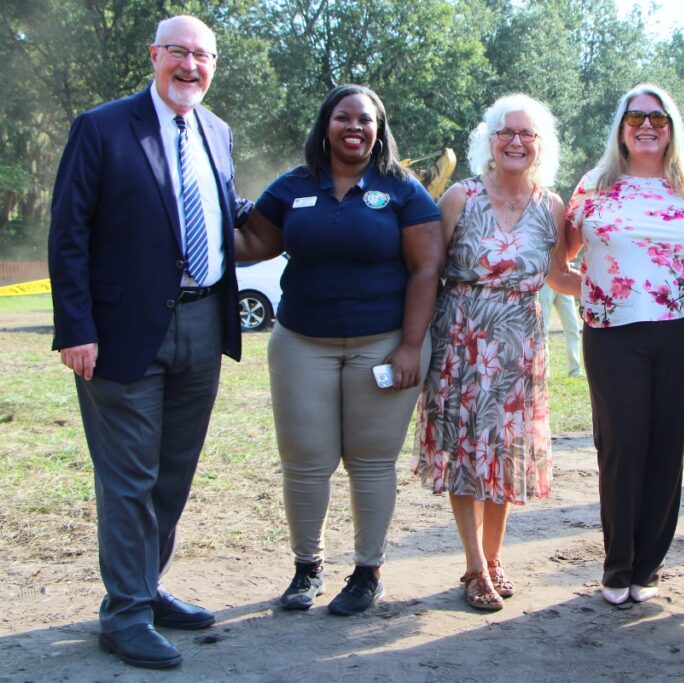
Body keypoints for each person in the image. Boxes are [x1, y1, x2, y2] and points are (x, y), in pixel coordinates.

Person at [47, 15, 246, 669]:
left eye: (203, 56)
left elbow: (224, 212)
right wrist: (76, 327)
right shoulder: (101, 127)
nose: (191, 66)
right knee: (129, 476)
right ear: (154, 55)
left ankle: (148, 586)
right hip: (121, 332)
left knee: (173, 472)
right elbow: (69, 231)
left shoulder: (217, 132)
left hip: (202, 323)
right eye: (179, 52)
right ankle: (125, 613)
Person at [234, 85, 443, 616]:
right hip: (302, 342)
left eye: (366, 120)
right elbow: (252, 244)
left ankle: (366, 572)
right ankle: (307, 568)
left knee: (371, 462)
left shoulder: (402, 189)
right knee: (305, 461)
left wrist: (411, 347)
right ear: (325, 125)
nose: (355, 127)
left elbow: (426, 269)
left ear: (379, 129)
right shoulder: (294, 186)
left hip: (384, 344)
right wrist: (189, 217)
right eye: (343, 117)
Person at [415, 94, 578, 611]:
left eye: (526, 134)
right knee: (466, 452)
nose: (516, 141)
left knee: (503, 455)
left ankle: (495, 554)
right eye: (506, 132)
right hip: (463, 341)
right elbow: (427, 270)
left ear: (540, 144)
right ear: (489, 140)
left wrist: (617, 281)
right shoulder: (461, 198)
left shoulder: (552, 206)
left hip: (519, 349)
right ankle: (475, 566)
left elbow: (557, 275)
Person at [565, 84, 684, 605]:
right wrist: (600, 292)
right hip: (611, 333)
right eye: (635, 118)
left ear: (673, 128)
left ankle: (648, 566)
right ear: (621, 128)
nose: (646, 126)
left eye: (658, 118)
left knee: (666, 446)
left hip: (681, 331)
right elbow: (560, 265)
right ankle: (618, 564)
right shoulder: (595, 186)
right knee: (623, 444)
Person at [539, 285, 584, 377]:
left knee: (573, 328)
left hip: (562, 282)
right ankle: (544, 371)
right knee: (542, 330)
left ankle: (575, 370)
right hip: (545, 282)